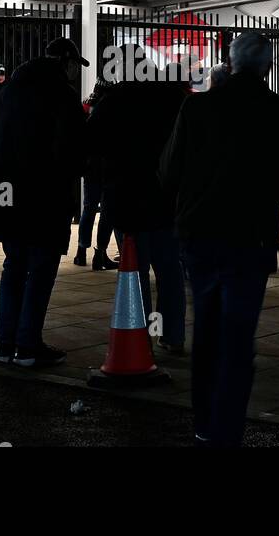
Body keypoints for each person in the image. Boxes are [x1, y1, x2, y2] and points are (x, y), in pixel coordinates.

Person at [159, 31, 279, 446]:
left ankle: (204, 423)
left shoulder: (196, 107)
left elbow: (169, 173)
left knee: (205, 329)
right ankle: (227, 427)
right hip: (251, 237)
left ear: (229, 61)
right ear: (269, 67)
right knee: (239, 336)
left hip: (199, 233)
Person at [0, 37, 88, 368]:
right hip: (46, 196)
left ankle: (4, 343)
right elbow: (73, 147)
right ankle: (27, 346)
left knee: (13, 266)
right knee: (40, 271)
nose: (74, 73)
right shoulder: (63, 95)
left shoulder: (9, 88)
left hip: (8, 191)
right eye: (74, 66)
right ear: (66, 62)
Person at [90, 45, 190, 353]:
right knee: (169, 269)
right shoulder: (172, 98)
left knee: (136, 271)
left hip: (126, 196)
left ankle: (141, 333)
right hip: (165, 196)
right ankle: (171, 334)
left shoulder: (114, 101)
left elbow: (91, 142)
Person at [76, 79, 121, 269]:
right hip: (108, 165)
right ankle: (100, 254)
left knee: (88, 209)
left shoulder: (85, 105)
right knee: (107, 212)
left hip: (90, 165)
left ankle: (81, 251)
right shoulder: (111, 109)